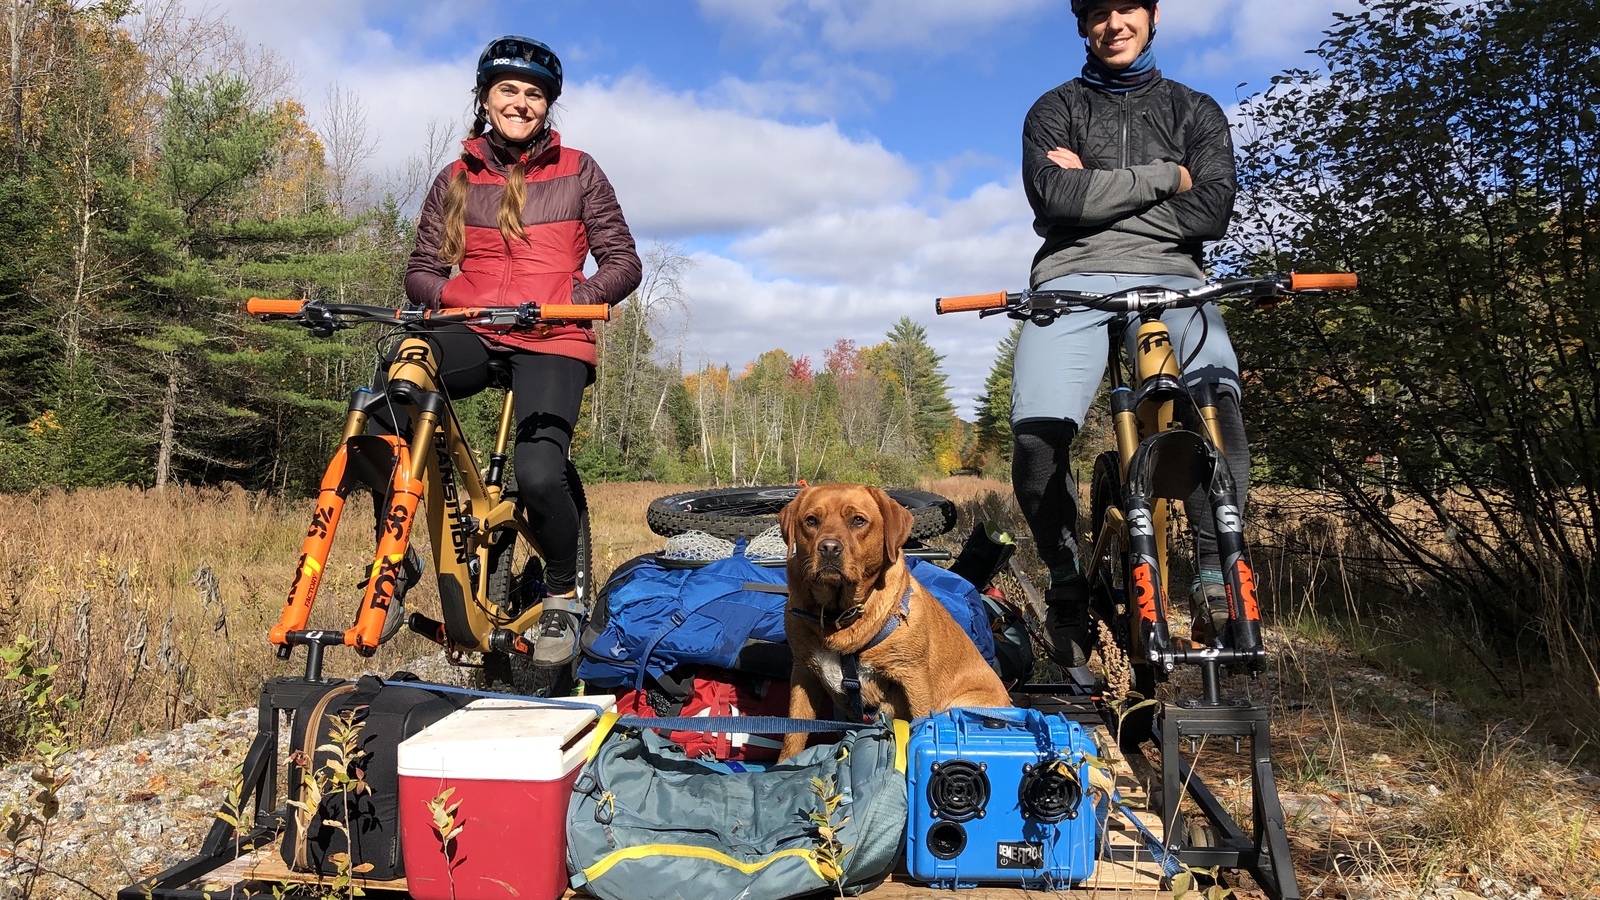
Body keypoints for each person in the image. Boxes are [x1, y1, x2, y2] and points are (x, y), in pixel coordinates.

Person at [395, 34, 641, 666]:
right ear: (484, 98)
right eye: (508, 89)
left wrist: (576, 295)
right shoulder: (455, 177)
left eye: (534, 94)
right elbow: (421, 268)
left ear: (547, 107)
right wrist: (451, 295)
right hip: (475, 326)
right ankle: (399, 549)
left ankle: (562, 591)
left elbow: (623, 261)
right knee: (400, 378)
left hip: (552, 335)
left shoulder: (579, 169)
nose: (521, 103)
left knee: (537, 474)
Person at [1013, 0, 1243, 668]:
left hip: (1176, 276)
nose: (1114, 23)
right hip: (1070, 276)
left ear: (1153, 15)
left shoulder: (1194, 109)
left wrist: (1096, 193)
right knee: (1036, 435)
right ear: (1082, 25)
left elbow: (1214, 209)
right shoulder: (1053, 108)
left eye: (1127, 9)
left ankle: (1211, 577)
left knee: (1216, 406)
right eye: (1098, 12)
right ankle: (1065, 581)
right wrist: (1168, 178)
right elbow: (1055, 199)